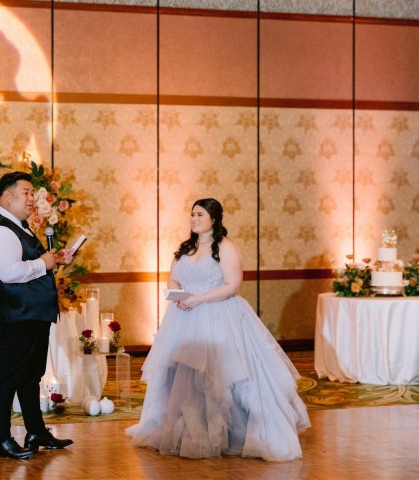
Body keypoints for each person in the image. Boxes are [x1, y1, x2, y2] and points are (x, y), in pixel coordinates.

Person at [126, 198, 310, 461]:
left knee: (221, 376)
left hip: (219, 315)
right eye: (192, 214)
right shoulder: (185, 248)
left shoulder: (226, 247)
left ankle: (229, 431)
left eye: (200, 214)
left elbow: (232, 285)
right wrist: (179, 297)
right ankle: (188, 429)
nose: (194, 219)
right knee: (183, 375)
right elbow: (173, 278)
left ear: (214, 219)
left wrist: (198, 299)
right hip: (183, 316)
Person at [0, 171, 74, 459]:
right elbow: (9, 273)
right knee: (9, 375)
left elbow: (30, 264)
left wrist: (53, 260)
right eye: (27, 193)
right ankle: (0, 439)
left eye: (33, 193)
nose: (33, 199)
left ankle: (36, 432)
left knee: (31, 376)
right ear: (7, 196)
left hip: (30, 313)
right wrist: (43, 263)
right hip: (13, 316)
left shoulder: (20, 227)